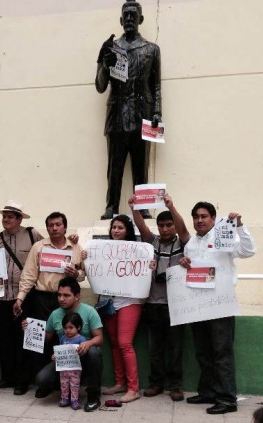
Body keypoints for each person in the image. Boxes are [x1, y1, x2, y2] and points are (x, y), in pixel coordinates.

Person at [180, 202, 255, 414]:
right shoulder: (191, 244)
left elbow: (248, 251)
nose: (200, 220)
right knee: (203, 352)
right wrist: (184, 262)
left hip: (221, 303)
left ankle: (227, 399)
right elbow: (188, 270)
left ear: (213, 218)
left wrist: (239, 226)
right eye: (196, 217)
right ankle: (208, 392)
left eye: (204, 216)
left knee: (222, 353)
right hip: (197, 304)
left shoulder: (226, 236)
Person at [95, 0, 161, 220]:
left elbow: (156, 86)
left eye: (134, 15)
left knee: (141, 166)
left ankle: (142, 207)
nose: (130, 19)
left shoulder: (152, 49)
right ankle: (111, 206)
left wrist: (157, 113)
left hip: (143, 115)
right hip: (116, 116)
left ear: (141, 19)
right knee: (114, 167)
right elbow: (100, 85)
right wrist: (105, 63)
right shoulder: (110, 48)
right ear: (121, 20)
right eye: (127, 16)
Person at [12, 211, 85, 398]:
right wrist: (20, 297)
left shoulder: (75, 247)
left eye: (58, 224)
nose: (54, 228)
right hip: (41, 297)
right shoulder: (39, 247)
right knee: (34, 340)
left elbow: (83, 274)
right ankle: (29, 382)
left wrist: (75, 274)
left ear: (65, 227)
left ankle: (60, 384)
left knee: (62, 340)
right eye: (51, 225)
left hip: (65, 301)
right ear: (47, 228)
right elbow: (28, 274)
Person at [129, 193, 190, 401]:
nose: (165, 229)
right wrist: (134, 208)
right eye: (161, 225)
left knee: (175, 348)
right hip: (153, 303)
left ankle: (175, 386)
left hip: (175, 305)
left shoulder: (184, 244)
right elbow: (140, 226)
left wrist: (171, 206)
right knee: (154, 348)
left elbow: (183, 228)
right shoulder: (151, 241)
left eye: (168, 225)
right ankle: (156, 383)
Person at [0, 201, 43, 395]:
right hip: (2, 298)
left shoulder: (32, 235)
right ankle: (7, 377)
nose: (6, 219)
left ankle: (22, 380)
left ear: (19, 219)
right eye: (4, 216)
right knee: (4, 339)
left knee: (23, 339)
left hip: (25, 297)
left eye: (10, 216)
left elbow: (50, 249)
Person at [93, 215, 144, 403]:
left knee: (124, 343)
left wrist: (150, 265)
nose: (116, 230)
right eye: (113, 227)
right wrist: (86, 257)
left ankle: (133, 388)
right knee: (114, 344)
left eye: (120, 227)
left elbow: (145, 269)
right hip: (109, 302)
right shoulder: (103, 250)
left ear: (127, 231)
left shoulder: (137, 250)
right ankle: (120, 383)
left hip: (130, 300)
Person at [33, 277, 103, 412]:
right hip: (65, 361)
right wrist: (31, 329)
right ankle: (65, 390)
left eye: (66, 295)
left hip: (85, 359)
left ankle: (93, 395)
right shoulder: (55, 314)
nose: (61, 299)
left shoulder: (89, 312)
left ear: (77, 296)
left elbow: (99, 338)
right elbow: (46, 338)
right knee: (41, 380)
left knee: (95, 352)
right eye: (59, 295)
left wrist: (87, 343)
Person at [55, 312, 88, 410]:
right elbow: (60, 351)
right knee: (63, 383)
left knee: (74, 384)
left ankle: (74, 400)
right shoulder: (62, 338)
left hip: (75, 368)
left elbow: (84, 352)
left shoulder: (81, 339)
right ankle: (64, 398)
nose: (67, 330)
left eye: (71, 327)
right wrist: (55, 355)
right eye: (65, 328)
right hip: (64, 368)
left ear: (78, 327)